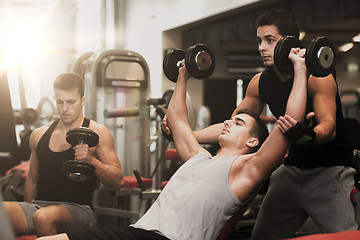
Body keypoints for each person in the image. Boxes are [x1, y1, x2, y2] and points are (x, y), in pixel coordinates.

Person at [36, 44, 308, 240]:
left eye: (238, 123)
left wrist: (299, 67)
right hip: (137, 232)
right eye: (230, 119)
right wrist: (183, 75)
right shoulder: (199, 157)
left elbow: (291, 121)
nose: (228, 121)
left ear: (252, 141)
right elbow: (178, 121)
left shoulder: (248, 168)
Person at [162, 10, 357, 239]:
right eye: (259, 41)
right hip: (291, 171)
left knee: (347, 237)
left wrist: (307, 135)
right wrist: (182, 132)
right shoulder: (259, 83)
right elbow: (233, 126)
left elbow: (328, 127)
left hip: (330, 171)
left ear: (289, 43)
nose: (261, 47)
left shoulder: (317, 76)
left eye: (269, 40)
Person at [3, 73, 124, 237]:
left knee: (43, 217)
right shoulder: (39, 134)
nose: (64, 108)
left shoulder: (98, 132)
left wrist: (91, 160)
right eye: (60, 102)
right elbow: (32, 179)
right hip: (39, 207)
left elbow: (117, 180)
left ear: (82, 100)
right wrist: (26, 212)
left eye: (71, 102)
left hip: (80, 210)